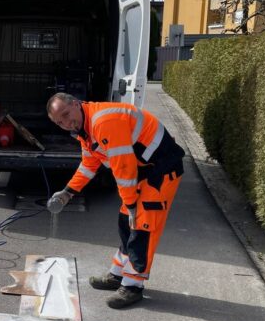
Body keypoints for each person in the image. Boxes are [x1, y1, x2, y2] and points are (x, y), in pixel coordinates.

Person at [46, 92, 185, 309]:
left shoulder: (103, 121)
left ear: (76, 103)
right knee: (126, 223)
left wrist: (130, 204)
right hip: (144, 172)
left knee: (142, 227)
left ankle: (133, 287)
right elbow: (89, 165)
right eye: (59, 121)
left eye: (66, 114)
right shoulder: (84, 128)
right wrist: (67, 192)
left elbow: (124, 170)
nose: (65, 123)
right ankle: (118, 275)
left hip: (160, 171)